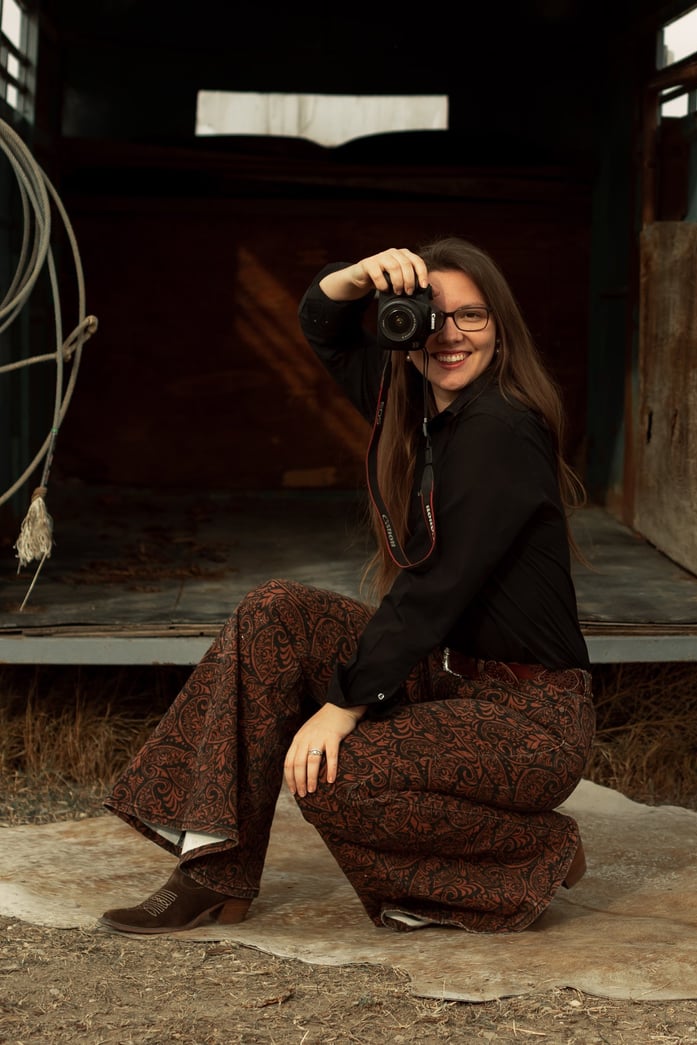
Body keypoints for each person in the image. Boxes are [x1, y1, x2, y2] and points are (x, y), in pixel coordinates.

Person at [99, 237, 594, 936]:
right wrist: (357, 276)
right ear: (406, 324)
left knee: (328, 769)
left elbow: (436, 589)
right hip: (447, 680)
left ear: (502, 331)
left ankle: (540, 850)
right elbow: (321, 326)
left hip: (530, 717)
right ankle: (213, 870)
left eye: (472, 318)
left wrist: (344, 702)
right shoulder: (412, 401)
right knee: (274, 612)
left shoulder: (502, 428)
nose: (449, 336)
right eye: (431, 315)